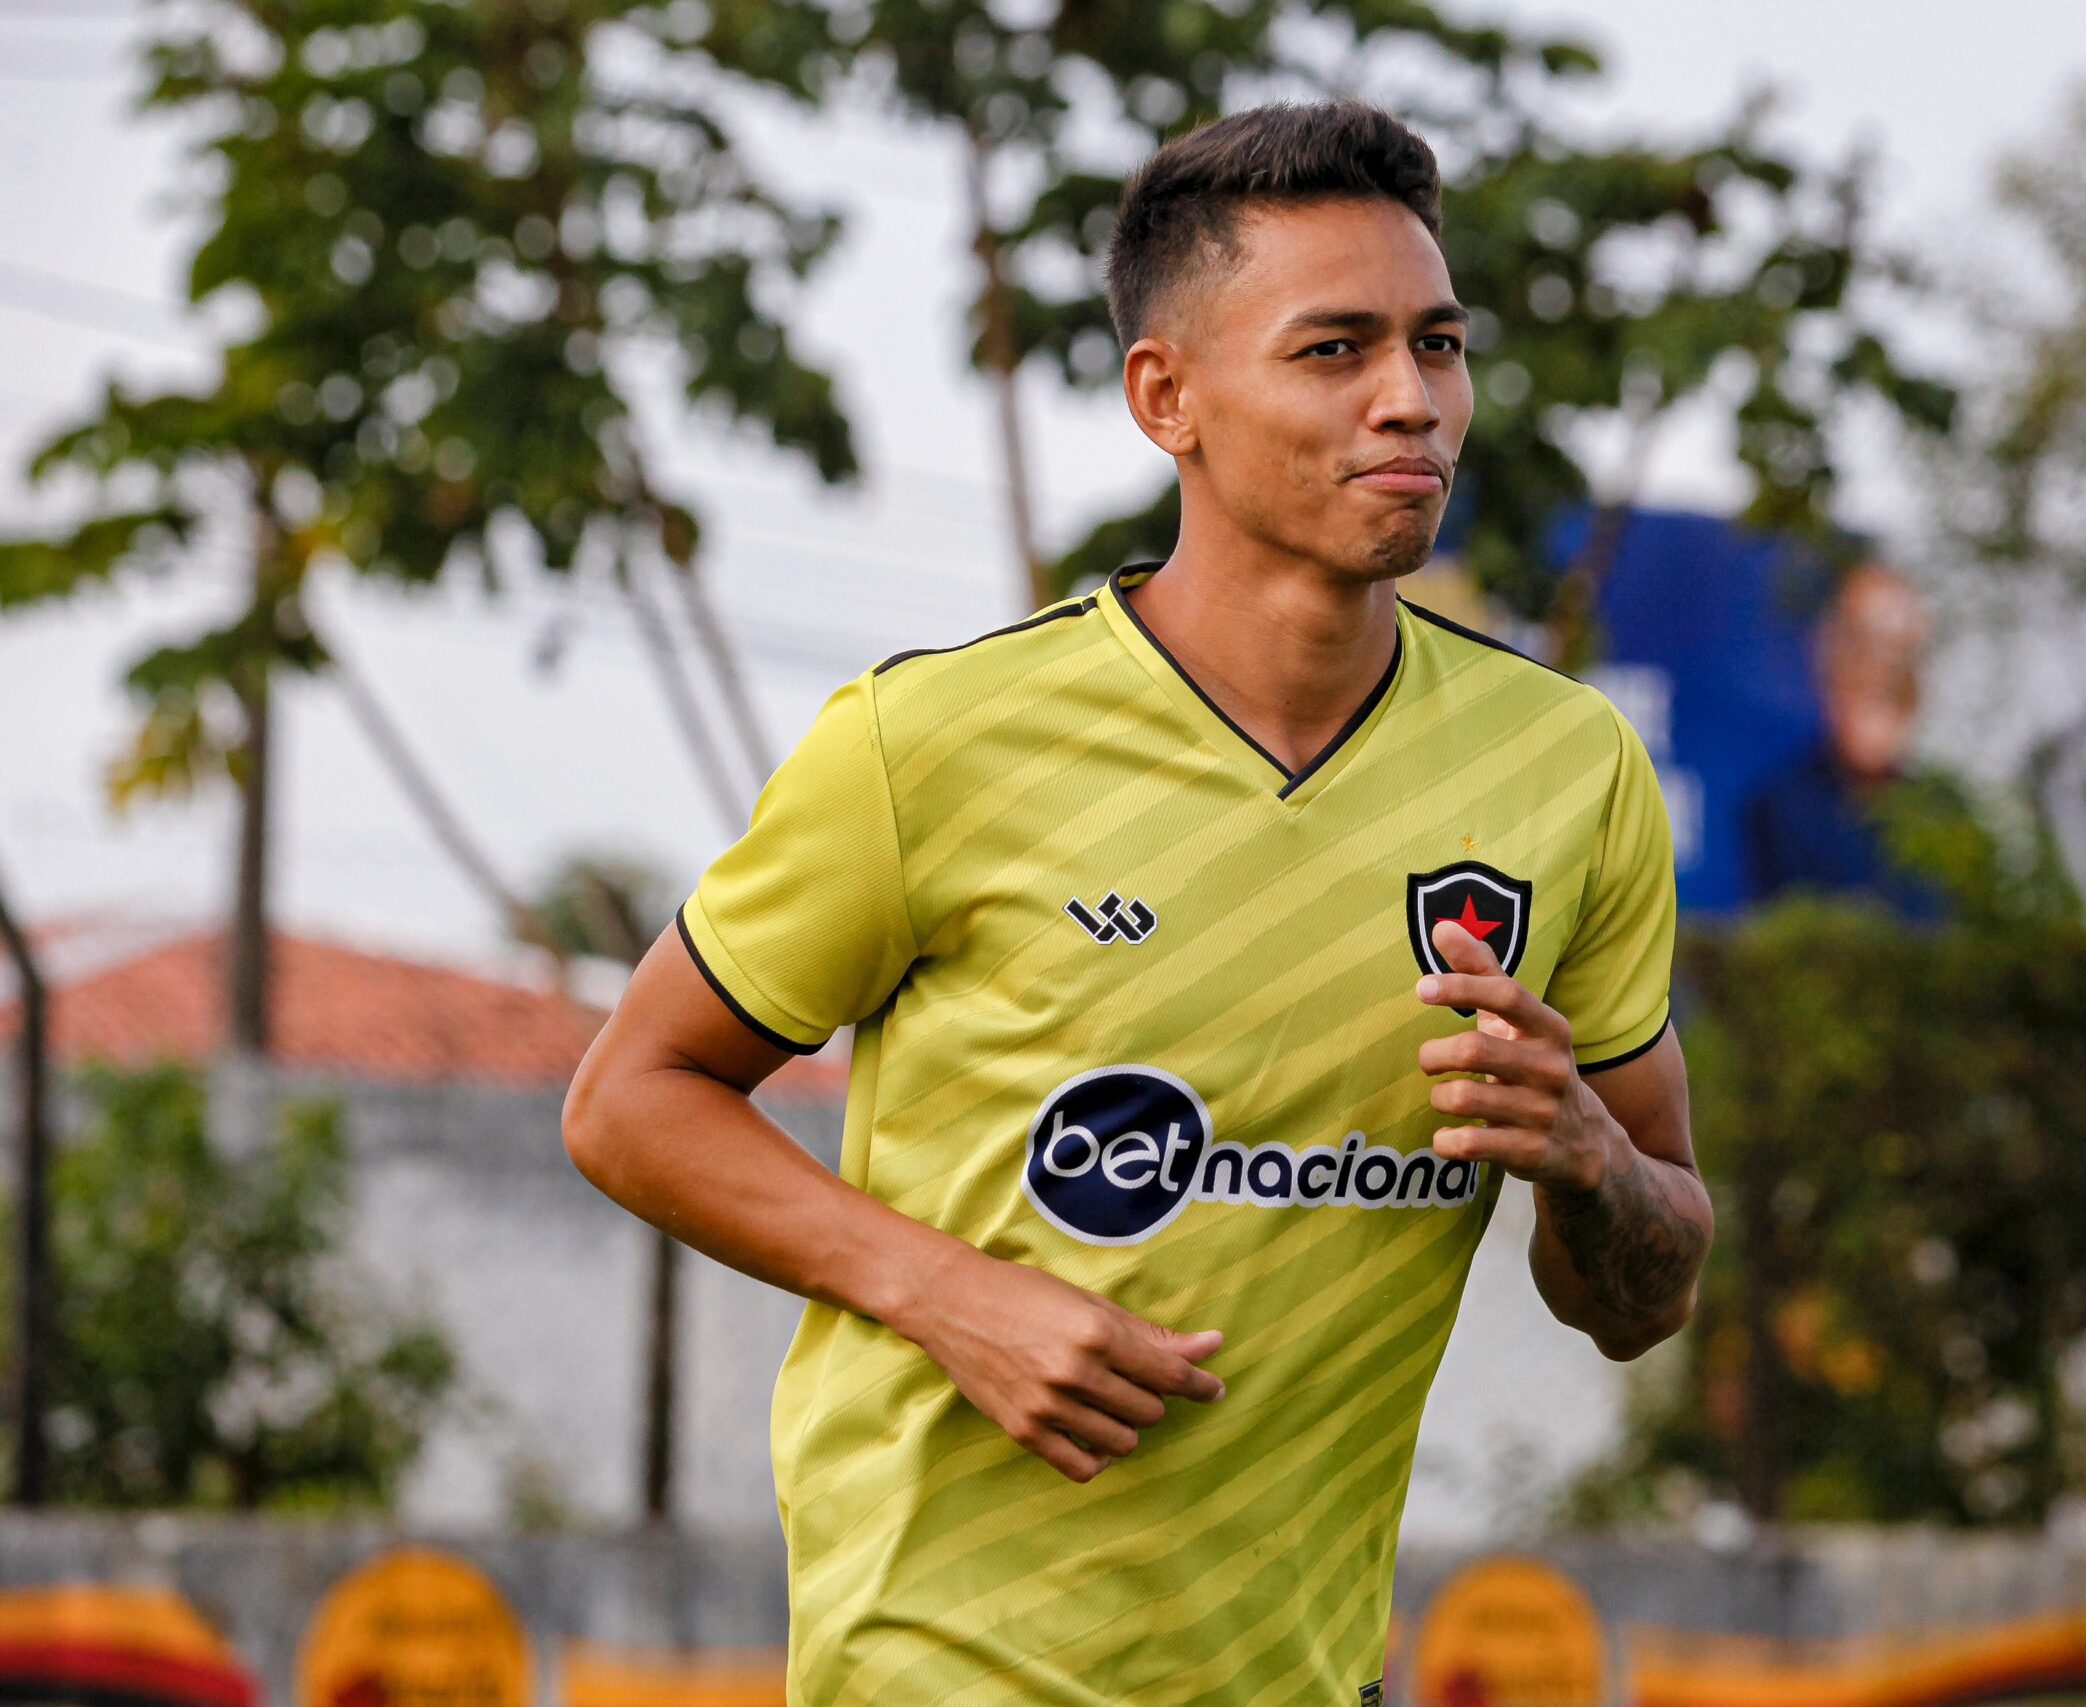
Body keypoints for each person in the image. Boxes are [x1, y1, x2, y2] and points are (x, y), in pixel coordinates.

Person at [563, 99, 1711, 1707]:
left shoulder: (1565, 772)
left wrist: (1588, 1160)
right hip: (945, 1668)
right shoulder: (932, 744)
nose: (1413, 401)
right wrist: (947, 1292)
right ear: (1166, 397)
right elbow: (628, 1098)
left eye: (1436, 345)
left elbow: (1643, 1295)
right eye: (1334, 351)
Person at [1742, 560, 1947, 922]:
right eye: (1862, 644)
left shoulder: (1944, 811)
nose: (1879, 666)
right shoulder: (1783, 808)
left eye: (1898, 648)